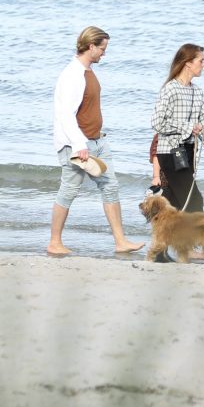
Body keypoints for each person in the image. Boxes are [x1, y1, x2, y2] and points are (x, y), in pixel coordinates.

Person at [47, 26, 145, 256]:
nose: (104, 53)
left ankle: (121, 241)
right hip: (77, 145)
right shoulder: (72, 75)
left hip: (97, 141)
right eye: (102, 48)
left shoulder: (88, 70)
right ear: (90, 46)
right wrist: (79, 145)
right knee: (68, 191)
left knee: (110, 187)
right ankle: (54, 242)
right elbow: (65, 115)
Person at [151, 43, 204, 260]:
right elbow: (156, 122)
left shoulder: (197, 93)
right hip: (170, 153)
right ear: (188, 63)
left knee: (172, 205)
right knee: (195, 202)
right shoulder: (170, 89)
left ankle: (160, 254)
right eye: (201, 61)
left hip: (187, 154)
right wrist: (188, 127)